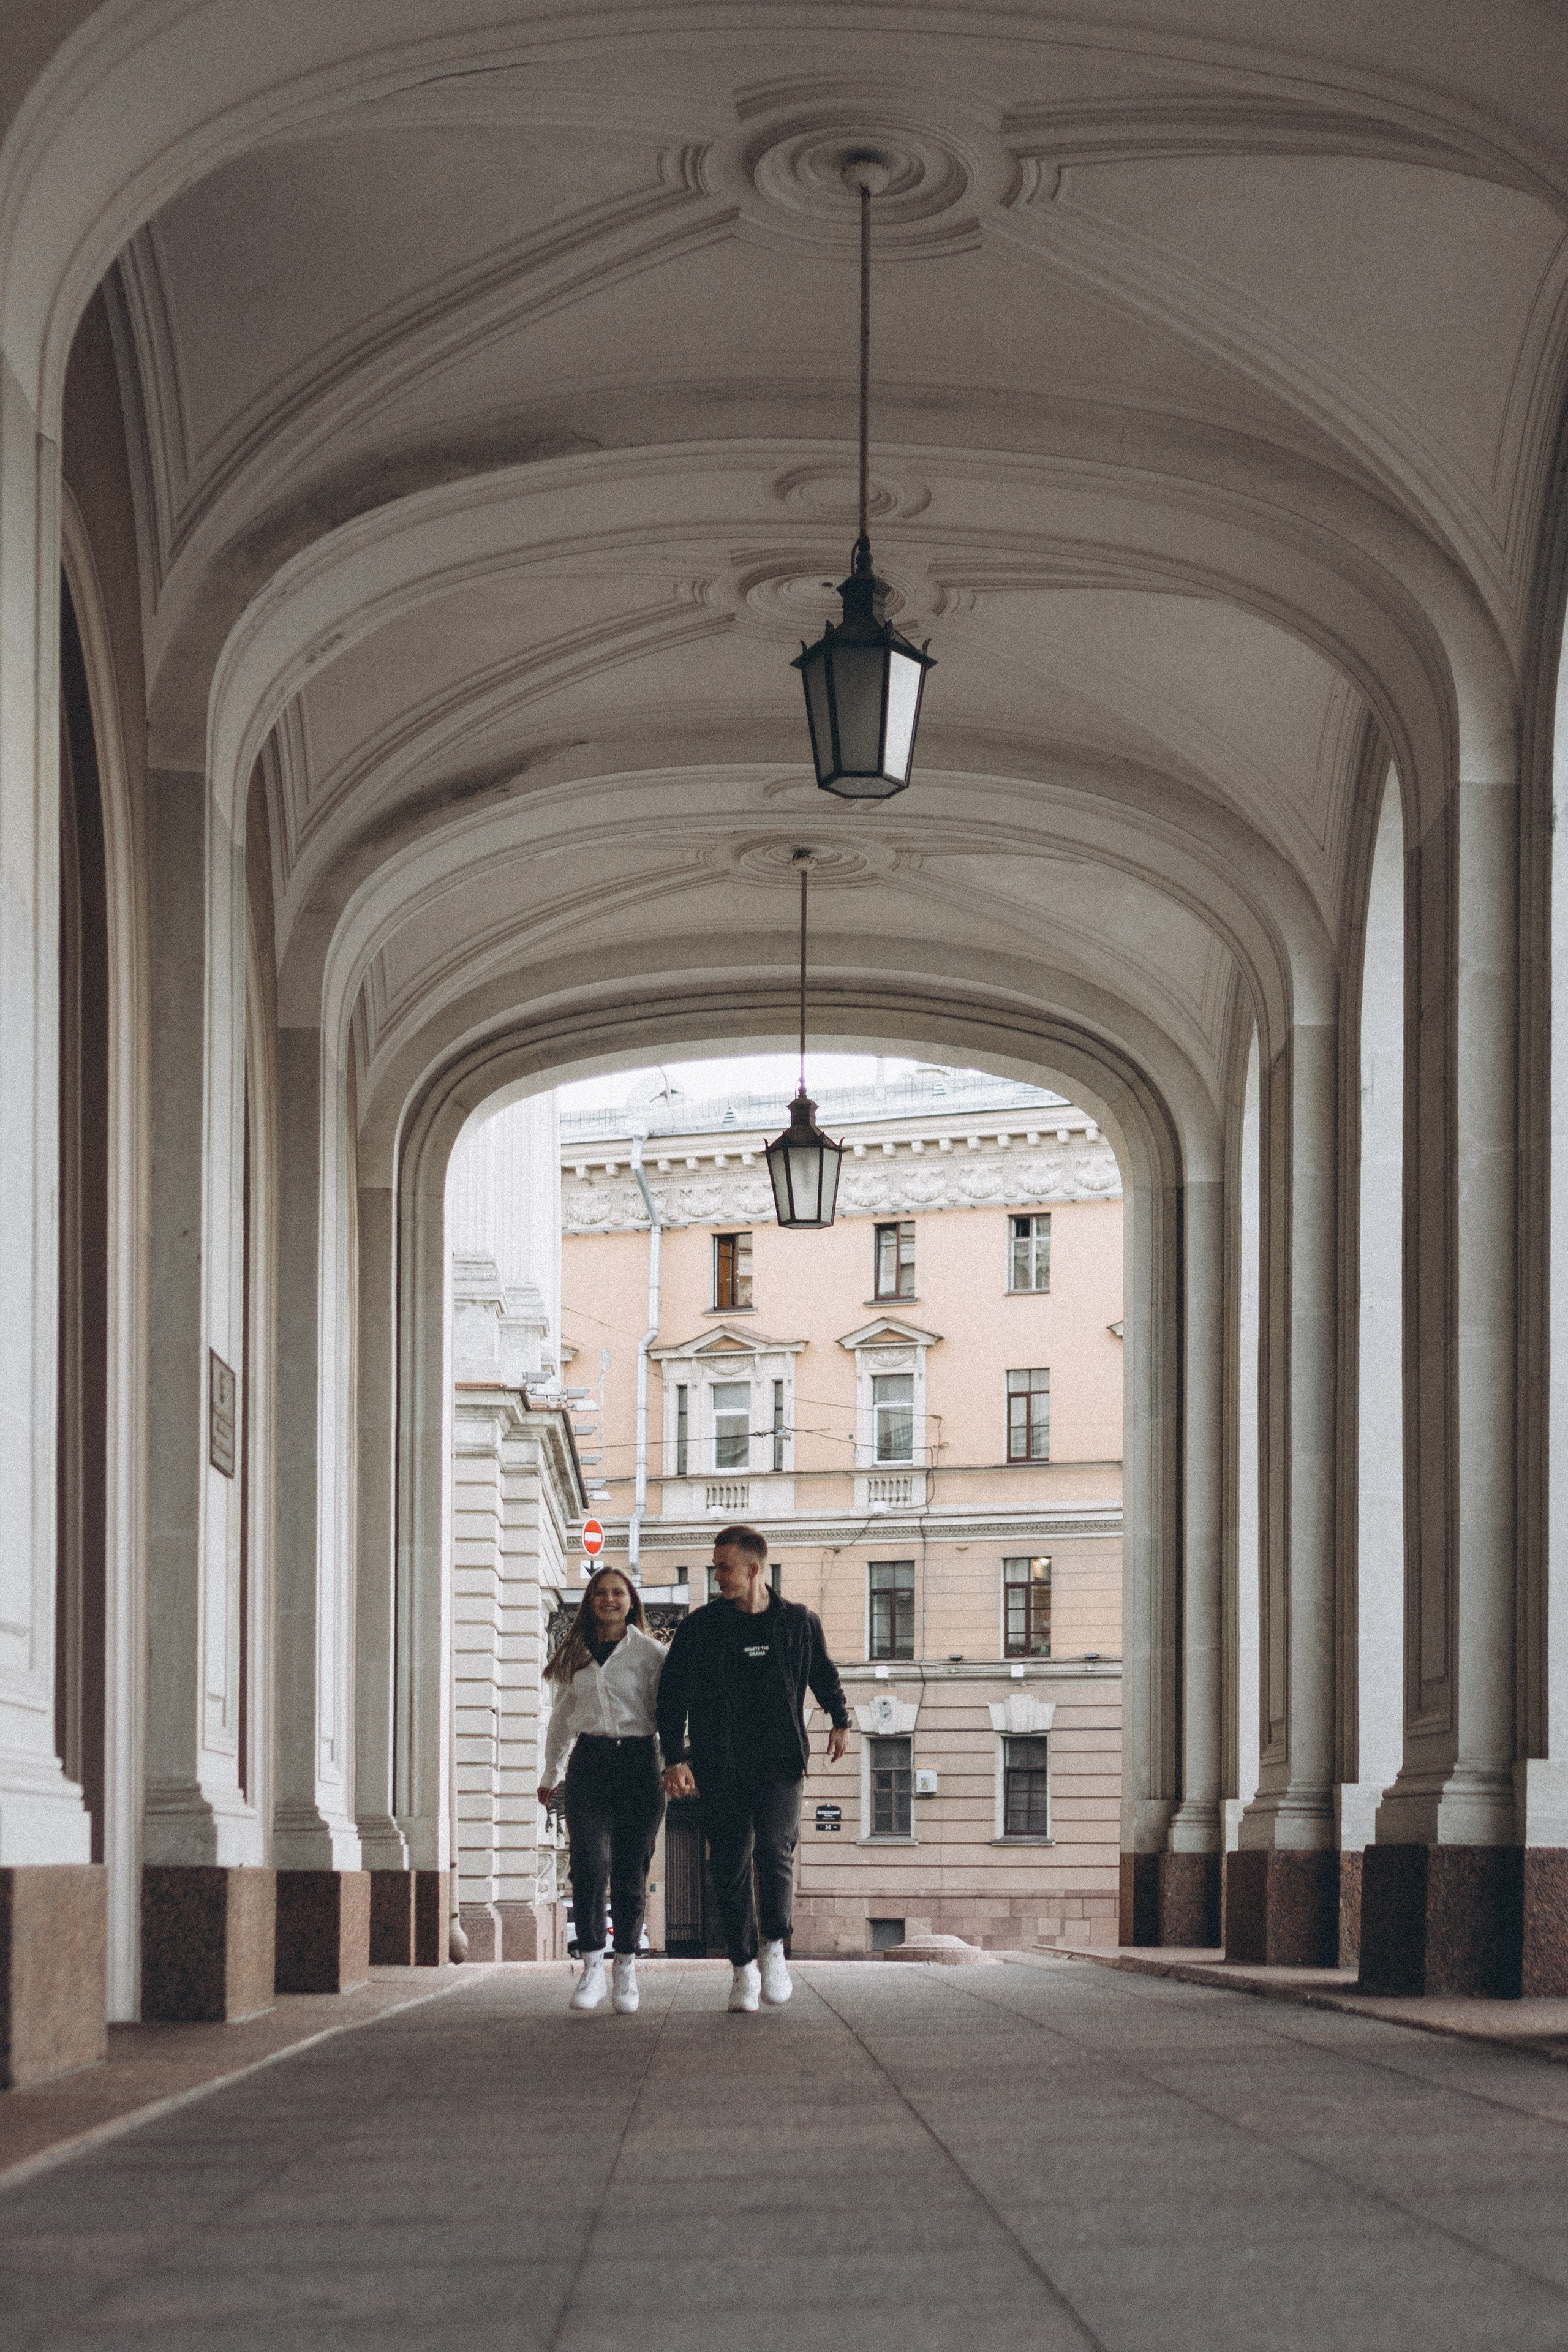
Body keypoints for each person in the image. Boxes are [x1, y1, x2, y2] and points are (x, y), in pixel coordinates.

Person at [657, 1523, 851, 2013]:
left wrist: (841, 1720)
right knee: (729, 1863)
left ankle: (774, 1949)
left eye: (724, 1567)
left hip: (780, 1761)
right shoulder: (701, 1628)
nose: (716, 1575)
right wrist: (675, 1757)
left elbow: (823, 1675)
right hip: (720, 1764)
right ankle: (743, 1967)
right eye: (715, 1566)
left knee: (775, 1849)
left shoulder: (798, 1623)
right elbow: (672, 1696)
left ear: (753, 1569)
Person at [538, 1566, 666, 2015]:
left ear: (632, 1601)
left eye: (618, 1592)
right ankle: (592, 1966)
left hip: (638, 1763)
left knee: (632, 1872)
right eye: (601, 1593)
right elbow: (560, 1720)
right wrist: (550, 1775)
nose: (609, 1599)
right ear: (590, 1602)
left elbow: (666, 1715)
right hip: (589, 1763)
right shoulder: (575, 1654)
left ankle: (626, 1968)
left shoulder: (652, 1654)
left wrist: (674, 1766)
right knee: (589, 1864)